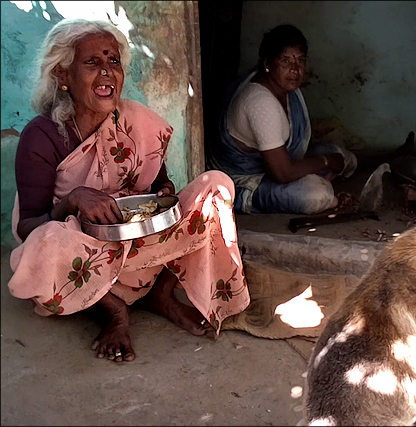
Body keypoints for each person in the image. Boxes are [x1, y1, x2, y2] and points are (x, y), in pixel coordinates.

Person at [9, 18, 250, 363]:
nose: (107, 71)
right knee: (49, 243)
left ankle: (161, 294)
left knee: (216, 186)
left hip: (138, 242)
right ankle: (113, 310)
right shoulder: (42, 136)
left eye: (113, 61)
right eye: (92, 62)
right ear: (63, 75)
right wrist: (73, 201)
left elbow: (157, 185)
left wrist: (165, 192)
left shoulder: (136, 120)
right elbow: (28, 227)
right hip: (82, 247)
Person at [212, 24, 358, 215]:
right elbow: (283, 173)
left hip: (280, 163)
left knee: (338, 153)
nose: (295, 70)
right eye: (285, 61)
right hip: (247, 180)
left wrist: (328, 159)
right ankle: (326, 186)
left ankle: (382, 161)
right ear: (267, 64)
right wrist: (325, 162)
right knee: (317, 194)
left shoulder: (285, 89)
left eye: (300, 60)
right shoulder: (260, 102)